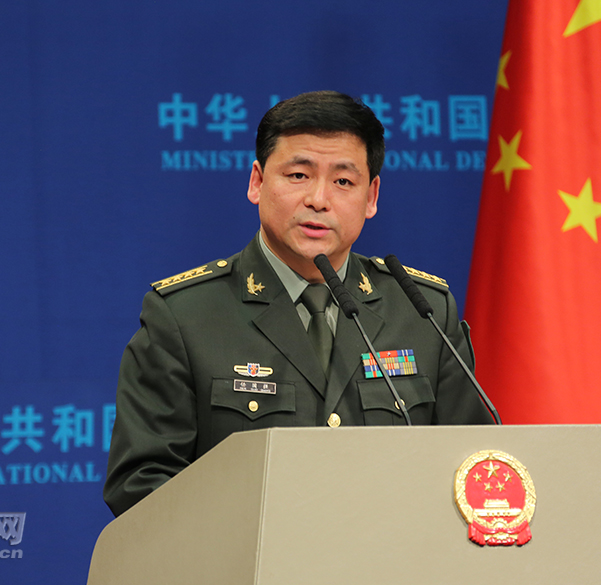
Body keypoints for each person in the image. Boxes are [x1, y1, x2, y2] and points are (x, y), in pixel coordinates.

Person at [103, 90, 493, 517]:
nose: (318, 200)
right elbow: (142, 485)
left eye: (343, 182)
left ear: (371, 197)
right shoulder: (186, 315)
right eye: (298, 175)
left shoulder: (422, 312)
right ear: (257, 182)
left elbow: (474, 469)